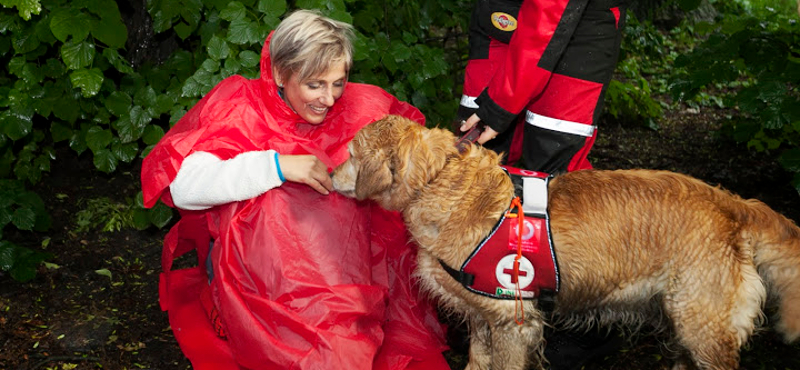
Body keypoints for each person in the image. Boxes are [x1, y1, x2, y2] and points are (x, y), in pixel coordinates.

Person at [141, 9, 449, 370]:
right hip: (269, 276)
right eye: (315, 84)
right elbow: (182, 187)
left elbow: (418, 157)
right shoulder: (241, 107)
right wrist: (275, 166)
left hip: (348, 271)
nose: (330, 99)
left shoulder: (362, 106)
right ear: (279, 74)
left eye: (339, 82)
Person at [455, 1, 628, 369]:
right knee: (482, 168)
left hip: (579, 27)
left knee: (554, 183)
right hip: (497, 17)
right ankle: (492, 304)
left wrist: (501, 106)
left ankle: (576, 320)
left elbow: (550, 13)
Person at [457, 0, 629, 175]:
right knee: (472, 158)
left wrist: (499, 106)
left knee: (555, 168)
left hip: (581, 32)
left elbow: (547, 17)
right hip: (497, 17)